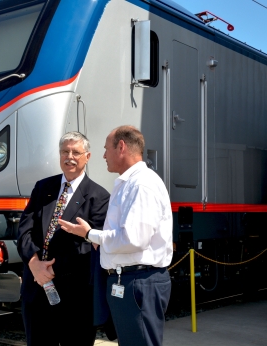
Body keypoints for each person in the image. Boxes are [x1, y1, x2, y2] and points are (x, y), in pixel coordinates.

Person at [59, 125, 173, 346]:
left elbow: (133, 239)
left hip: (138, 281)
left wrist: (91, 234)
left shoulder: (141, 184)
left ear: (121, 147)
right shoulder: (128, 183)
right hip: (130, 280)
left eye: (106, 149)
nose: (103, 155)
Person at [17, 131, 110, 346]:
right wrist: (35, 265)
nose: (69, 157)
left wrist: (50, 270)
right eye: (64, 152)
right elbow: (24, 230)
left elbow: (92, 246)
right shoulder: (43, 188)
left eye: (76, 152)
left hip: (75, 297)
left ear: (87, 157)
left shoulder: (99, 196)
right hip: (36, 290)